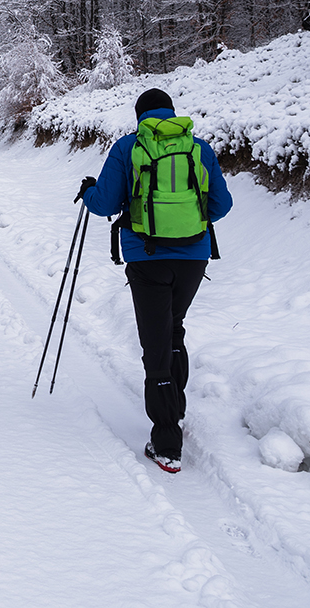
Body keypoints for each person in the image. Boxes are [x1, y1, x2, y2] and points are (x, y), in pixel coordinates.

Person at [77, 88, 232, 473]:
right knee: (173, 328)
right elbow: (222, 206)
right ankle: (174, 410)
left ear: (139, 116)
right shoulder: (199, 148)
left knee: (155, 341)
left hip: (146, 257)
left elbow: (105, 204)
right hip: (194, 257)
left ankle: (166, 441)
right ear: (172, 113)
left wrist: (89, 190)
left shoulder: (129, 148)